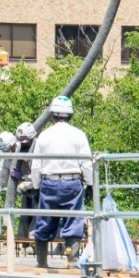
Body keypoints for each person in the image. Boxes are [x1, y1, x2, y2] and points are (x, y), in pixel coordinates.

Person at [29, 96, 93, 268]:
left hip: (49, 183)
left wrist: (35, 187)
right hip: (72, 183)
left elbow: (36, 165)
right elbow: (87, 163)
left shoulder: (44, 136)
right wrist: (91, 184)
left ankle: (42, 264)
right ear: (70, 115)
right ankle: (72, 263)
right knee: (74, 221)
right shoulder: (79, 135)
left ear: (52, 115)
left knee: (44, 222)